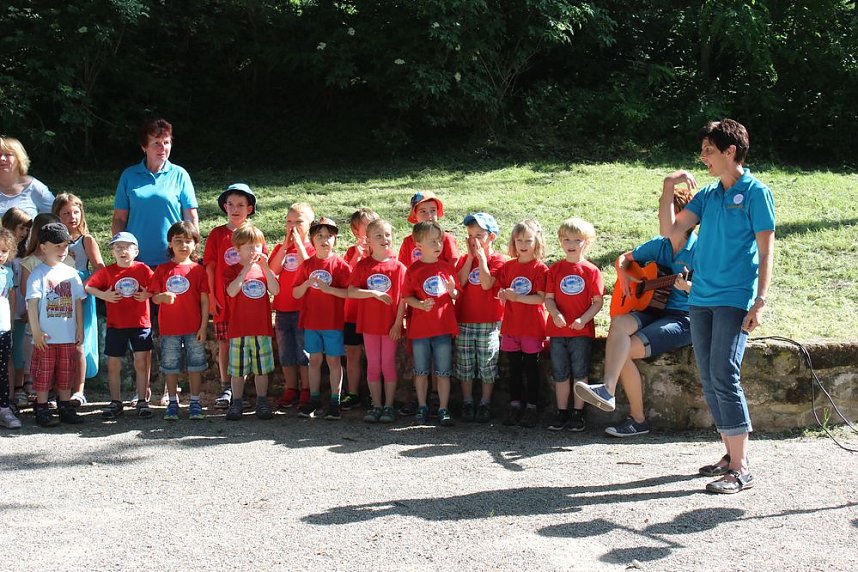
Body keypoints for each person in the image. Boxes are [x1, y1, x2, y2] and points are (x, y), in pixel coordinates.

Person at [638, 119, 774, 494]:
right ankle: (729, 456)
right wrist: (667, 190)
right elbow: (672, 231)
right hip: (700, 300)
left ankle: (742, 467)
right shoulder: (709, 196)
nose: (702, 158)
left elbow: (766, 251)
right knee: (710, 377)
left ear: (731, 151)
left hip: (734, 298)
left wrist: (759, 300)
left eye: (709, 150)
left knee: (724, 373)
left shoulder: (755, 192)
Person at [574, 190, 696, 437]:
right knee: (619, 323)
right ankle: (608, 391)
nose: (664, 218)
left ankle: (637, 419)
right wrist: (625, 278)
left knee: (624, 349)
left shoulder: (701, 251)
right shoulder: (658, 245)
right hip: (652, 309)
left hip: (682, 319)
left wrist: (691, 288)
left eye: (670, 213)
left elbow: (714, 290)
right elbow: (623, 259)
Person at [397, 191, 458, 416]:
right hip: (419, 317)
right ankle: (421, 403)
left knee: (442, 367)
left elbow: (452, 276)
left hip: (442, 315)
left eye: (433, 210)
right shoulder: (408, 243)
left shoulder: (447, 240)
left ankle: (439, 403)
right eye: (423, 211)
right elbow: (406, 282)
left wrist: (452, 292)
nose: (429, 215)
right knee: (420, 364)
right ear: (414, 215)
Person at [112, 118, 199, 268]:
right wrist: (120, 248)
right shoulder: (129, 175)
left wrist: (192, 249)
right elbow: (119, 218)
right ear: (144, 147)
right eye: (156, 143)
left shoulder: (180, 174)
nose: (162, 148)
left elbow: (190, 216)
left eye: (166, 143)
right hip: (136, 259)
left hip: (173, 257)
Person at [86, 232, 155, 419]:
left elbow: (157, 285)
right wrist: (104, 296)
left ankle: (142, 400)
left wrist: (147, 294)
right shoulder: (108, 271)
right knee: (113, 363)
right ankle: (115, 401)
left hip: (140, 324)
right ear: (113, 252)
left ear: (136, 251)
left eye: (127, 247)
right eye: (118, 248)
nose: (122, 251)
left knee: (141, 363)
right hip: (116, 325)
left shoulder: (143, 269)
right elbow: (89, 287)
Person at [544, 218, 604, 432]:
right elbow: (548, 298)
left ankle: (578, 413)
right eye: (566, 239)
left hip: (581, 332)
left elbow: (598, 302)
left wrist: (583, 319)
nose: (571, 243)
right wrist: (555, 314)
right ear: (560, 241)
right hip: (557, 331)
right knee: (560, 372)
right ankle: (562, 412)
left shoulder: (591, 271)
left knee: (580, 371)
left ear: (587, 242)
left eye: (577, 240)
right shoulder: (555, 269)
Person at [203, 183, 260, 409]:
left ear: (250, 208)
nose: (235, 209)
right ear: (224, 207)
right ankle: (226, 387)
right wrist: (213, 297)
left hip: (246, 302)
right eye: (231, 204)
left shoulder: (255, 235)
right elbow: (209, 267)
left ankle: (242, 391)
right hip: (223, 301)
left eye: (241, 205)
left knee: (246, 345)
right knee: (225, 344)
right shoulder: (217, 234)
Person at [26, 223, 86, 427]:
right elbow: (32, 304)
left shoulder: (72, 274)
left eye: (66, 245)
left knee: (66, 372)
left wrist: (79, 327)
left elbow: (78, 302)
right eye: (57, 246)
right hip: (46, 337)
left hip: (67, 335)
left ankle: (65, 405)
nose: (63, 250)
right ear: (43, 247)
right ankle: (41, 407)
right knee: (43, 373)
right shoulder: (38, 274)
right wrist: (36, 331)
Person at [347, 219, 407, 424]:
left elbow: (403, 299)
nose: (384, 239)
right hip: (369, 325)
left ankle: (389, 406)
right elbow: (352, 291)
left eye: (387, 235)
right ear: (369, 240)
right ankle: (376, 405)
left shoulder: (399, 267)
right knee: (373, 365)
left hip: (390, 326)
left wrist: (398, 324)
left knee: (388, 364)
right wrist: (372, 293)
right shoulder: (363, 266)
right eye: (378, 236)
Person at [293, 217, 351, 420]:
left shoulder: (341, 265)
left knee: (334, 360)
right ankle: (314, 399)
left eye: (329, 236)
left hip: (333, 323)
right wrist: (307, 284)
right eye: (320, 236)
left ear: (335, 239)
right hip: (311, 322)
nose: (325, 240)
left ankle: (335, 401)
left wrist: (330, 289)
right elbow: (295, 293)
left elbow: (349, 293)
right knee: (314, 360)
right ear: (311, 240)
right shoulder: (307, 265)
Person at [151, 222, 209, 420]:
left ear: (195, 245)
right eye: (178, 241)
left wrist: (202, 326)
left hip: (194, 328)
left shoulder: (198, 270)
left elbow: (204, 300)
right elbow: (154, 297)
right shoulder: (162, 269)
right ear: (170, 244)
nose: (183, 245)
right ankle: (173, 402)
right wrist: (162, 297)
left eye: (188, 241)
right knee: (170, 366)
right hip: (169, 328)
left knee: (196, 365)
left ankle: (194, 401)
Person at [223, 223, 280, 421]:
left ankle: (262, 402)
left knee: (261, 369)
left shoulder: (264, 270)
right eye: (249, 246)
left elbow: (276, 290)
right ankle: (236, 402)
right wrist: (246, 267)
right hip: (238, 329)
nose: (254, 250)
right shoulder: (232, 270)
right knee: (237, 371)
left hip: (261, 329)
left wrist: (265, 268)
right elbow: (231, 291)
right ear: (238, 250)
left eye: (257, 245)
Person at [52, 193, 105, 405]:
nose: (72, 217)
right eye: (65, 213)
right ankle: (59, 389)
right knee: (58, 340)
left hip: (81, 293)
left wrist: (84, 285)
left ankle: (79, 389)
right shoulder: (51, 241)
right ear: (56, 215)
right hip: (56, 293)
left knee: (78, 341)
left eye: (75, 212)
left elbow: (99, 268)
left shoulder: (86, 240)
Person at [454, 213, 506, 423]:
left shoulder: (499, 260)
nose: (474, 240)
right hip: (464, 321)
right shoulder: (464, 259)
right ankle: (467, 401)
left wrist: (482, 259)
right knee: (465, 365)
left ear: (491, 237)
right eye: (470, 235)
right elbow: (460, 282)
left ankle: (484, 402)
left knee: (487, 365)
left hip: (489, 322)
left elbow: (486, 283)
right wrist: (469, 258)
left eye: (479, 235)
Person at [497, 219, 549, 428]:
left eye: (528, 240)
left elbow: (541, 298)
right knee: (514, 368)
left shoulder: (541, 269)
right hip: (511, 326)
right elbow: (500, 290)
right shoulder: (508, 266)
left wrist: (517, 298)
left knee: (531, 368)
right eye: (519, 240)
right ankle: (515, 404)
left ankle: (532, 407)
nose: (523, 245)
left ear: (537, 242)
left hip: (532, 327)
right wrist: (503, 294)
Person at [269, 202, 315, 410]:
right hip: (282, 308)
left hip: (303, 309)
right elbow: (272, 269)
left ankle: (306, 388)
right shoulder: (282, 248)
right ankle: (291, 388)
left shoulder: (312, 248)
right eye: (289, 221)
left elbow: (309, 268)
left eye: (298, 222)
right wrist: (285, 247)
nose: (293, 226)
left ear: (310, 224)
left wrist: (299, 246)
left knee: (303, 352)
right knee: (286, 352)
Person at [341, 208, 379, 411]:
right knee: (353, 354)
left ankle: (377, 396)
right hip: (353, 313)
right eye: (367, 226)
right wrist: (357, 253)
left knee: (376, 356)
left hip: (375, 314)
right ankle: (353, 393)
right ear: (357, 232)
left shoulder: (383, 249)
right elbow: (348, 279)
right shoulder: (351, 253)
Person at [1, 207, 32, 408]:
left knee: (18, 350)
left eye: (27, 229)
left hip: (21, 308)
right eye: (21, 227)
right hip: (8, 310)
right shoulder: (7, 258)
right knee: (12, 352)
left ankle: (17, 390)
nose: (24, 233)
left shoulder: (25, 253)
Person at [0, 136, 55, 218]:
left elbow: (59, 216)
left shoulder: (35, 188)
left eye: (8, 154)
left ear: (19, 158)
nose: (2, 158)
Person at [0, 229, 21, 428]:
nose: (1, 255)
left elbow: (11, 298)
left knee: (3, 368)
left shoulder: (7, 273)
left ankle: (4, 407)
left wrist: (12, 322)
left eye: (4, 251)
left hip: (3, 328)